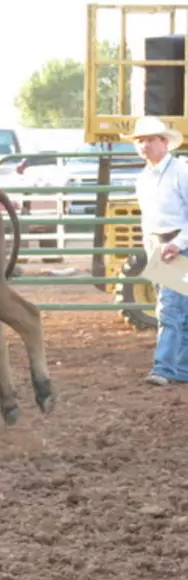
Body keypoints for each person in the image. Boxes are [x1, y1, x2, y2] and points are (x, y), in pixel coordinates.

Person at [124, 116, 188, 385]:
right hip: (163, 246)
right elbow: (147, 220)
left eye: (150, 139)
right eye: (140, 140)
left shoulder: (182, 172)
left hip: (178, 245)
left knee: (170, 308)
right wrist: (153, 249)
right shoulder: (144, 179)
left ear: (164, 142)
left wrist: (177, 243)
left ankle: (163, 369)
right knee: (178, 308)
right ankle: (181, 369)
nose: (144, 145)